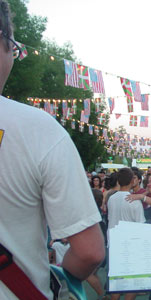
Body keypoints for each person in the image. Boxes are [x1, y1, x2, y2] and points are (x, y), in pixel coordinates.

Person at [0, 2, 105, 298]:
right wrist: (62, 277)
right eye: (14, 46)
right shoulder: (38, 129)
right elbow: (89, 252)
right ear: (5, 42)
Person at [107, 168, 145, 300]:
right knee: (132, 281)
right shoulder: (134, 200)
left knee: (117, 279)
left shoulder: (111, 198)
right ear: (131, 181)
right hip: (130, 243)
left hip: (113, 241)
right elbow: (141, 225)